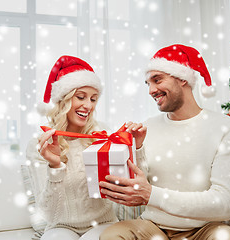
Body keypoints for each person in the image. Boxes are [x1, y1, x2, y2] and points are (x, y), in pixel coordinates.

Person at [99, 44, 230, 240]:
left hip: (204, 230)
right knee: (112, 235)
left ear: (183, 78)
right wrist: (137, 149)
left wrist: (152, 195)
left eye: (157, 80)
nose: (151, 90)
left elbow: (224, 205)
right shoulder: (146, 128)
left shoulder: (225, 127)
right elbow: (138, 183)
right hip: (152, 227)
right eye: (148, 83)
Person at [26, 55, 146, 240]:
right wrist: (55, 167)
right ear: (62, 100)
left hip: (103, 223)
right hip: (60, 226)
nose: (88, 105)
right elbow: (49, 213)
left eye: (93, 99)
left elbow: (134, 185)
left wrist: (136, 148)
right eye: (80, 97)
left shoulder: (102, 135)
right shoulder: (42, 145)